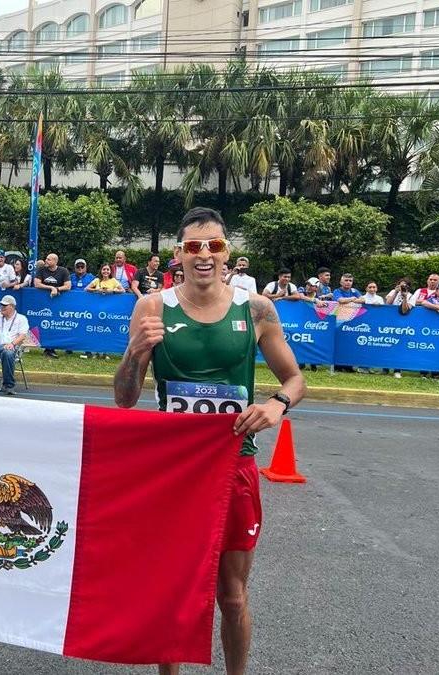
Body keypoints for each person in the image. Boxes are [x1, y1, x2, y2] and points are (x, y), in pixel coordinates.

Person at [114, 207, 305, 675]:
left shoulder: (256, 308)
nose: (204, 255)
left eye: (213, 245)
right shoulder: (153, 307)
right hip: (173, 472)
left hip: (233, 466)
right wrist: (137, 351)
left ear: (227, 254)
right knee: (173, 591)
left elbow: (296, 378)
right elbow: (124, 398)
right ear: (178, 253)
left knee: (232, 596)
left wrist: (276, 404)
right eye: (194, 246)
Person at [34, 253, 71, 358]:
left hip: (58, 303)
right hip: (42, 303)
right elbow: (37, 284)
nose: (46, 261)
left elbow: (68, 286)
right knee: (41, 324)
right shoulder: (41, 270)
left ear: (55, 261)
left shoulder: (63, 271)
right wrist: (51, 288)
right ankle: (43, 347)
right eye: (46, 259)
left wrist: (58, 289)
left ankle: (51, 348)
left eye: (49, 259)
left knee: (54, 324)